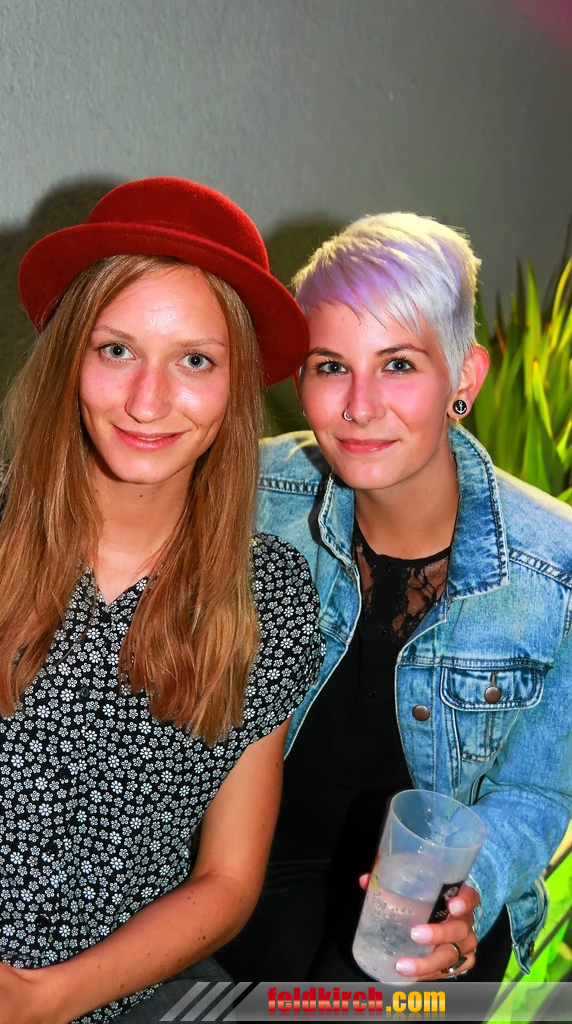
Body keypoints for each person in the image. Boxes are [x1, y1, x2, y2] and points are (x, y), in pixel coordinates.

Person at [0, 176, 324, 1023]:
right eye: (116, 350)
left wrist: (48, 999)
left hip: (129, 996)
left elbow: (227, 880)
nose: (147, 401)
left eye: (194, 360)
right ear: (68, 358)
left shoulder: (267, 596)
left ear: (235, 385)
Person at [218, 212, 572, 985]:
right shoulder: (249, 493)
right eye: (330, 366)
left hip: (433, 899)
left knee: (384, 972)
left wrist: (471, 890)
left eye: (398, 365)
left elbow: (536, 792)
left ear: (463, 379)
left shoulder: (556, 569)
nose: (359, 405)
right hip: (252, 869)